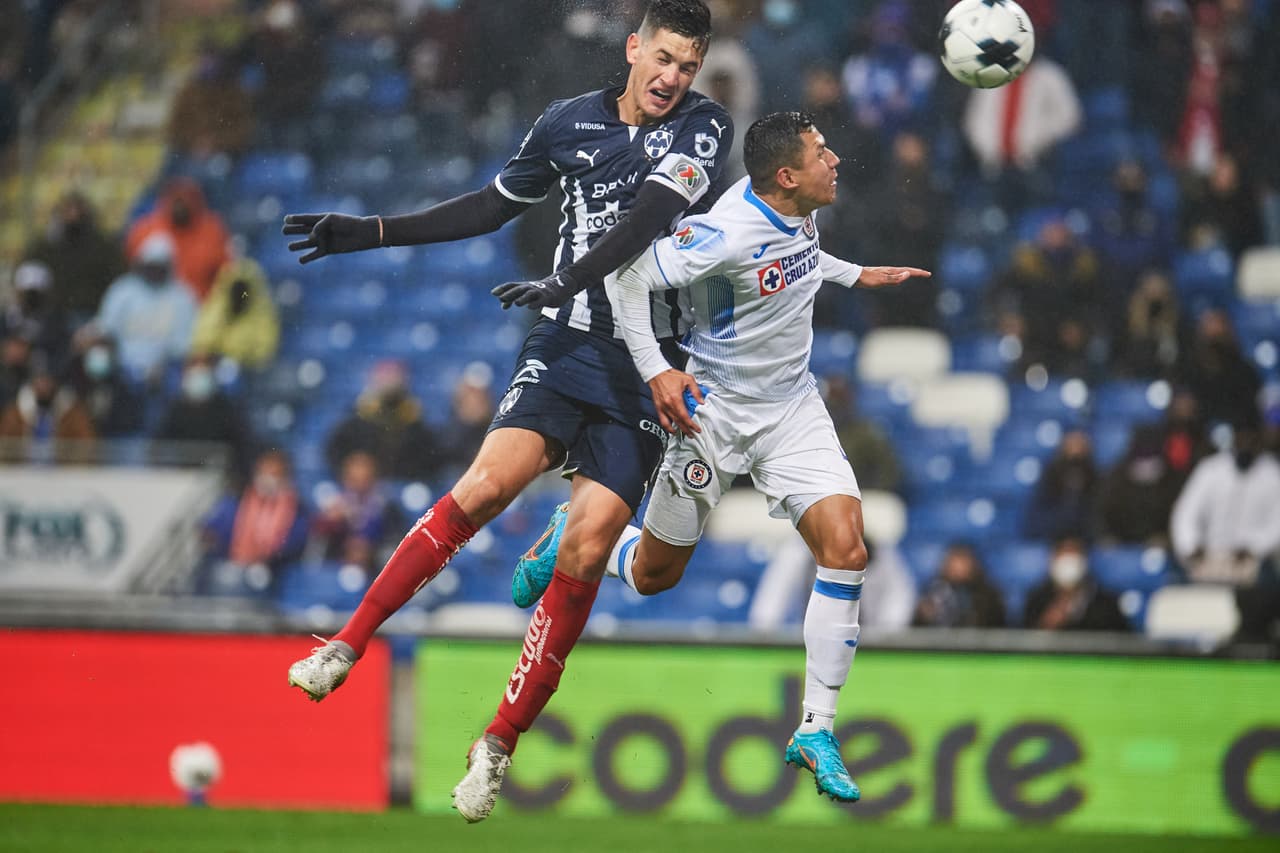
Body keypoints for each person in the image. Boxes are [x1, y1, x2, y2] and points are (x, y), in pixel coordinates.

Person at [281, 1, 734, 824]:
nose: (674, 79)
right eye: (663, 59)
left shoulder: (705, 129)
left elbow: (648, 220)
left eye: (688, 66)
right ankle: (345, 641)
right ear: (633, 49)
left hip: (648, 367)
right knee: (487, 485)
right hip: (566, 346)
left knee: (592, 544)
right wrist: (372, 231)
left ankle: (497, 743)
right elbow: (493, 204)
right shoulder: (566, 124)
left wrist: (565, 276)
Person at [511, 112, 930, 805]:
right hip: (714, 412)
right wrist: (656, 372)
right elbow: (625, 281)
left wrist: (854, 275)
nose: (836, 159)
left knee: (847, 548)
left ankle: (816, 727)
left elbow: (793, 258)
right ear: (786, 175)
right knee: (654, 575)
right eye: (821, 152)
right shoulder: (723, 231)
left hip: (792, 407)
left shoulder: (798, 206)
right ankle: (572, 534)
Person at [323, 359, 441, 485]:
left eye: (393, 377)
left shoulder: (416, 422)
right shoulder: (355, 421)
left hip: (407, 485)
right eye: (385, 377)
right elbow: (334, 452)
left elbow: (430, 461)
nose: (389, 382)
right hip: (365, 487)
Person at [124, 177, 231, 303]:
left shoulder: (213, 231)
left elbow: (227, 275)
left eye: (187, 199)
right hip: (149, 308)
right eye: (177, 199)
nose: (181, 205)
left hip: (199, 308)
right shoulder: (145, 230)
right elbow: (130, 275)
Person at [1022, 536, 1129, 632]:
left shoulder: (1106, 603)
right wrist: (1047, 624)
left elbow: (1120, 642)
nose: (1069, 559)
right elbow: (1022, 641)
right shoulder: (1036, 600)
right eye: (1063, 551)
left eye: (1074, 551)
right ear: (1053, 558)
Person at [190, 256, 280, 370]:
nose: (241, 294)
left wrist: (242, 357)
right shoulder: (217, 309)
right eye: (236, 289)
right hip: (217, 365)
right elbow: (202, 342)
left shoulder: (261, 315)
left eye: (244, 290)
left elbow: (265, 351)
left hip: (247, 369)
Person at [911, 541, 1006, 628]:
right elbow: (917, 626)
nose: (957, 566)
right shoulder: (933, 591)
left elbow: (997, 625)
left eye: (962, 560)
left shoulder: (988, 595)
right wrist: (924, 615)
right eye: (953, 560)